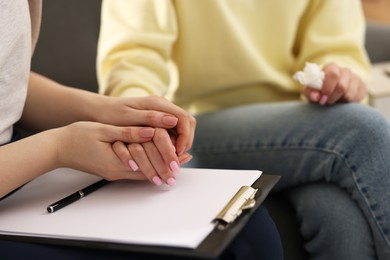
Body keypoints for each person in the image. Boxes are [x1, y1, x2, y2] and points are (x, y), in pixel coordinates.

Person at [97, 0, 390, 259]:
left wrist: (338, 77)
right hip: (195, 127)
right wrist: (145, 117)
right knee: (363, 129)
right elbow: (134, 58)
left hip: (300, 127)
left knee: (340, 220)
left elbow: (337, 51)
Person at [0, 1, 283, 259]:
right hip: (20, 166)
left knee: (247, 229)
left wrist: (105, 109)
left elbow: (8, 79)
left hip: (23, 163)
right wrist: (58, 147)